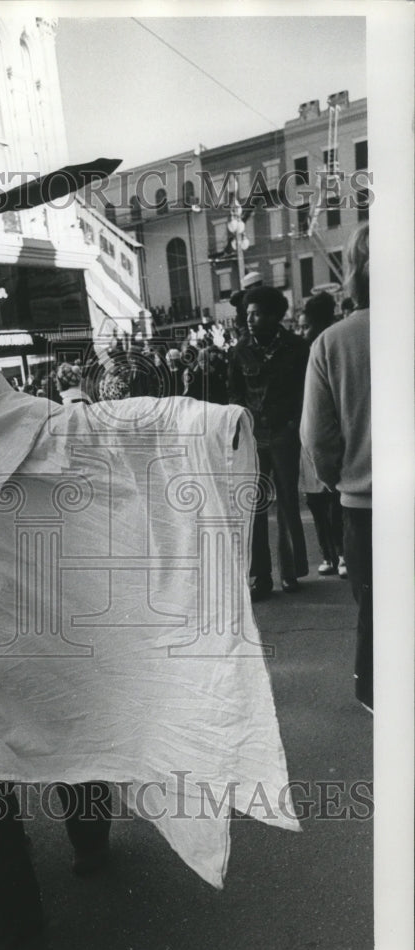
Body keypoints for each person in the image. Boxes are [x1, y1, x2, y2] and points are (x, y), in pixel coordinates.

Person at [0, 310, 299, 950]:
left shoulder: (26, 424)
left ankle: (90, 837)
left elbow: (115, 429)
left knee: (75, 728)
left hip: (54, 633)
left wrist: (205, 422)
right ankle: (13, 921)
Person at [301, 223, 371, 711]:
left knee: (376, 608)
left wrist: (337, 479)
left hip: (365, 506)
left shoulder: (332, 343)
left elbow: (318, 439)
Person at [228, 286, 310, 600]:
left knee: (288, 502)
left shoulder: (297, 347)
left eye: (257, 313)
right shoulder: (240, 349)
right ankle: (260, 577)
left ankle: (290, 573)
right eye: (247, 313)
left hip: (284, 434)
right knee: (256, 506)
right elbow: (234, 392)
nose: (250, 319)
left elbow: (305, 390)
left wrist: (294, 424)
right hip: (254, 437)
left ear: (275, 316)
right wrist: (242, 425)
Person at [297, 293, 345, 577]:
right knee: (319, 500)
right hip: (313, 434)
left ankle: (338, 554)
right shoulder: (304, 349)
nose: (302, 332)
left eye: (305, 326)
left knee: (329, 499)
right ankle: (332, 554)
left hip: (320, 432)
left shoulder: (322, 347)